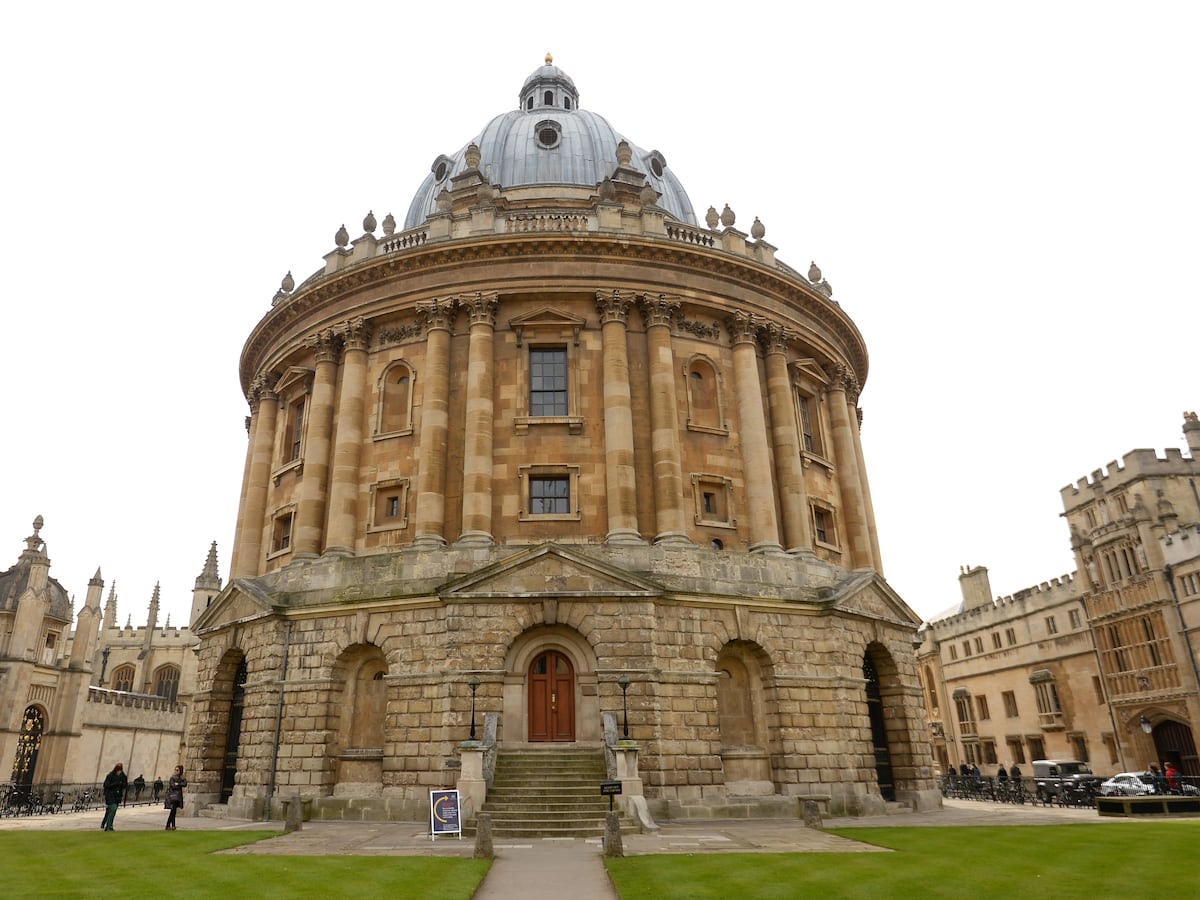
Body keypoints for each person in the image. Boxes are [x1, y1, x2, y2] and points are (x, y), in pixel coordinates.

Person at [100, 763, 127, 831]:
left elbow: (125, 784)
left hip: (117, 796)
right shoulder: (110, 776)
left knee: (111, 811)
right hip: (110, 795)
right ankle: (109, 825)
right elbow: (106, 785)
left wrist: (121, 784)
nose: (119, 772)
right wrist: (115, 784)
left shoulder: (123, 776)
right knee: (113, 808)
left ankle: (107, 825)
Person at [164, 765, 186, 830]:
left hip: (178, 797)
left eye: (177, 770)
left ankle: (173, 825)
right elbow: (173, 786)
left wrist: (178, 784)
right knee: (172, 811)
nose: (176, 771)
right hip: (173, 796)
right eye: (175, 770)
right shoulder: (172, 778)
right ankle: (168, 825)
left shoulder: (181, 778)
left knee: (174, 811)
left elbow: (185, 784)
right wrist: (179, 784)